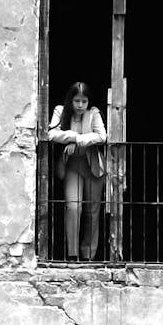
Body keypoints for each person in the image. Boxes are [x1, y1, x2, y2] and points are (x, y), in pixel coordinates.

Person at [48, 82, 107, 261]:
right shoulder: (60, 111)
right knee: (73, 207)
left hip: (93, 168)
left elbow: (102, 136)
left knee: (92, 211)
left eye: (84, 101)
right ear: (70, 100)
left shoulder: (93, 113)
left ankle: (89, 254)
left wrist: (81, 141)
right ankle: (72, 254)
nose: (80, 105)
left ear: (88, 101)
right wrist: (73, 137)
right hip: (72, 166)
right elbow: (51, 134)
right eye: (76, 101)